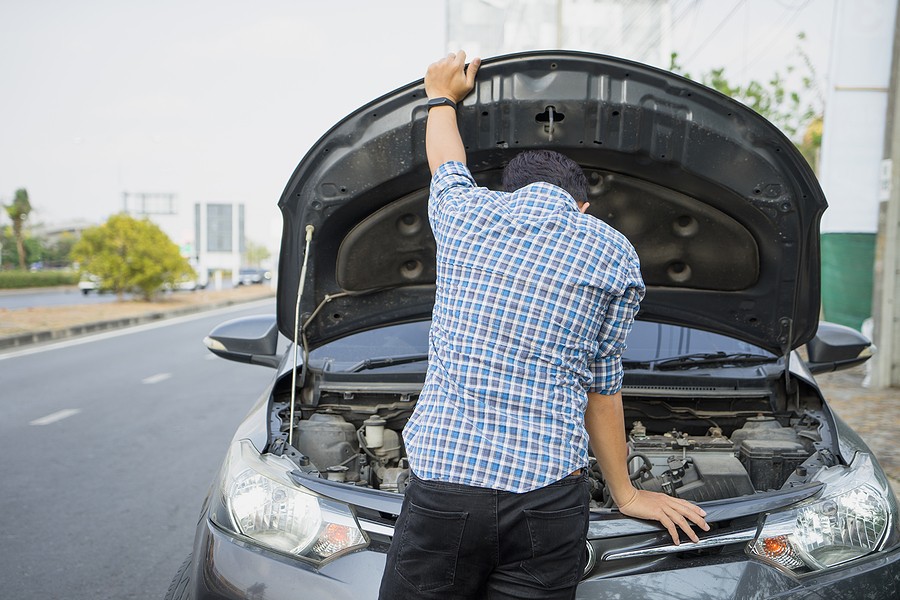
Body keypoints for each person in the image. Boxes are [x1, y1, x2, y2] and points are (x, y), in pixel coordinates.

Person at [378, 51, 709, 600]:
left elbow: (446, 162)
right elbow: (603, 387)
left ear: (512, 194)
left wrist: (441, 97)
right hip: (549, 499)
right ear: (581, 206)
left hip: (445, 490)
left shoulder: (468, 214)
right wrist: (625, 495)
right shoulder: (613, 252)